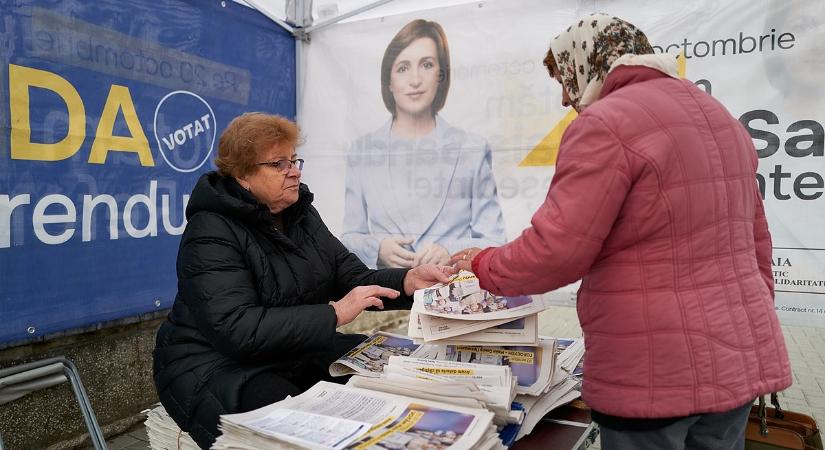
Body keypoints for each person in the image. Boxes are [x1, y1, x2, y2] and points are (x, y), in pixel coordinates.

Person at [452, 13, 792, 450]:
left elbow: (557, 250)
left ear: (590, 61)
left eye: (565, 76)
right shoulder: (716, 114)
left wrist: (484, 264)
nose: (563, 98)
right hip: (738, 362)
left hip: (653, 372)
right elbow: (757, 244)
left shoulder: (605, 123)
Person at [152, 112, 454, 449]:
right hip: (213, 366)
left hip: (288, 348)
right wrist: (335, 314)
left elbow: (353, 277)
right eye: (279, 164)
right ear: (243, 174)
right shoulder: (211, 230)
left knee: (399, 370)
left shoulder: (300, 213)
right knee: (303, 426)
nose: (293, 171)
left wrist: (409, 281)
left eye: (295, 161)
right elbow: (236, 328)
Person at [342, 19, 506, 269]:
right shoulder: (362, 151)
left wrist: (451, 251)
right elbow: (349, 237)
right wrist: (377, 248)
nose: (415, 80)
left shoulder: (471, 148)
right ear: (389, 80)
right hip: (389, 297)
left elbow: (494, 240)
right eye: (403, 68)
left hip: (450, 294)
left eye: (426, 65)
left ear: (441, 75)